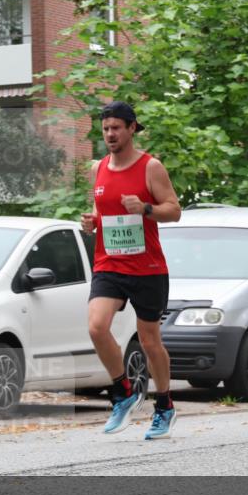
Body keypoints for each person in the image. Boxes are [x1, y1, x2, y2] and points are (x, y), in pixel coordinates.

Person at [81, 102, 182, 439]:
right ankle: (123, 393)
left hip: (147, 266)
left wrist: (146, 208)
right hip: (109, 263)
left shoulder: (150, 167)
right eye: (105, 129)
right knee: (97, 327)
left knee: (150, 341)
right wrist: (93, 221)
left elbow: (174, 211)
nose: (110, 134)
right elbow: (101, 209)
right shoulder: (98, 168)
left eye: (116, 128)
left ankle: (164, 405)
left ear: (132, 128)